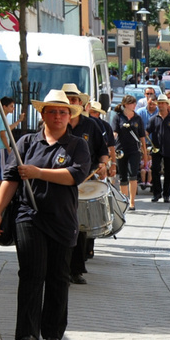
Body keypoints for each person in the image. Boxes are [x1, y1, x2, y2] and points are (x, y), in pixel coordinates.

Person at [0, 89, 90, 340]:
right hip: (29, 216)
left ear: (70, 116)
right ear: (42, 115)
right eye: (52, 111)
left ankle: (53, 332)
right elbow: (10, 178)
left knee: (58, 276)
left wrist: (37, 172)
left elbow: (73, 176)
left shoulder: (78, 145)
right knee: (32, 273)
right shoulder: (25, 144)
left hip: (63, 219)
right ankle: (28, 333)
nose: (58, 116)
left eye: (63, 112)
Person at [65, 85, 108, 285]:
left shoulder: (91, 125)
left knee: (80, 225)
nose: (72, 102)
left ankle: (76, 269)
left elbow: (102, 150)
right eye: (68, 99)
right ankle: (59, 267)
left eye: (75, 99)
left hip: (85, 180)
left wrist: (103, 164)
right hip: (60, 180)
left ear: (81, 104)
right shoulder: (57, 121)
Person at [146, 94, 170, 203]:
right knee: (155, 170)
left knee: (169, 172)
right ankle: (157, 193)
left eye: (163, 103)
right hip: (156, 149)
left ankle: (166, 194)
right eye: (159, 103)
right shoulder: (153, 119)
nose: (161, 105)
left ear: (167, 105)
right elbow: (147, 131)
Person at [113, 95, 148, 211]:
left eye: (134, 103)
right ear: (125, 104)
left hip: (134, 150)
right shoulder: (118, 117)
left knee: (133, 175)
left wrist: (145, 154)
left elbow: (142, 137)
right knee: (123, 177)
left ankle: (132, 202)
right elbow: (114, 133)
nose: (134, 105)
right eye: (132, 103)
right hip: (121, 150)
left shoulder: (137, 118)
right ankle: (125, 200)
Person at [0, 96, 23, 196]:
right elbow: (3, 134)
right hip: (1, 147)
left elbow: (8, 129)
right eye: (11, 106)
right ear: (4, 106)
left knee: (3, 167)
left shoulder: (2, 117)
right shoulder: (1, 118)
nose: (13, 108)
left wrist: (19, 121)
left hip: (0, 147)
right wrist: (8, 148)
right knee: (3, 171)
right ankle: (1, 194)